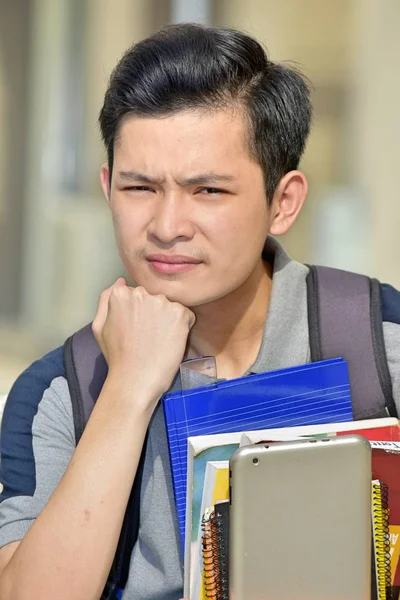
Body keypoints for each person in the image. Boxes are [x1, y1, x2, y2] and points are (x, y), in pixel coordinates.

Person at [0, 22, 399, 600]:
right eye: (139, 188)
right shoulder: (63, 392)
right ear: (107, 187)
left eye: (207, 191)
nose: (166, 227)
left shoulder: (379, 342)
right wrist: (129, 388)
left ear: (282, 202)